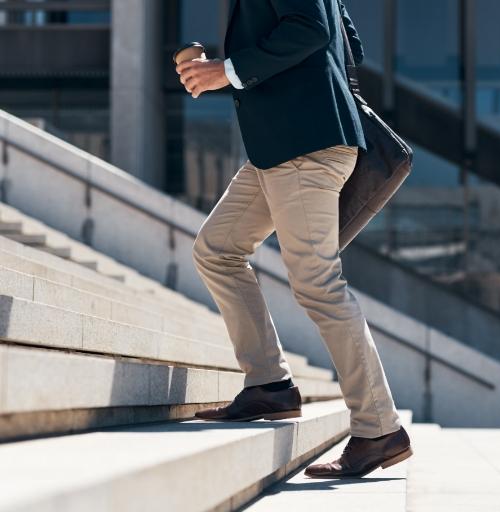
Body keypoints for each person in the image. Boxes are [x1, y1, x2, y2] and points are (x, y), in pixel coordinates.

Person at [174, 0, 412, 479]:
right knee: (217, 250)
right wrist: (221, 69)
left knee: (317, 283)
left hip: (307, 146)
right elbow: (349, 42)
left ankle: (378, 428)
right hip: (281, 145)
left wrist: (230, 70)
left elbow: (311, 29)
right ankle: (269, 385)